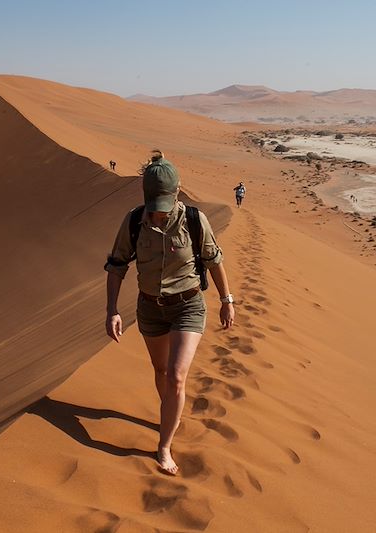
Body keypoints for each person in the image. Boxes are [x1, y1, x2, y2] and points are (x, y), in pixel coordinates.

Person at [104, 151, 235, 475]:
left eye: (164, 208)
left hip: (188, 305)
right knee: (160, 371)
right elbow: (117, 266)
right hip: (149, 309)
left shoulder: (193, 220)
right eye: (154, 208)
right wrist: (112, 310)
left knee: (176, 375)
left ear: (176, 195)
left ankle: (164, 446)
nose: (158, 216)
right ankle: (169, 414)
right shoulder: (134, 220)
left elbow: (214, 260)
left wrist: (226, 299)